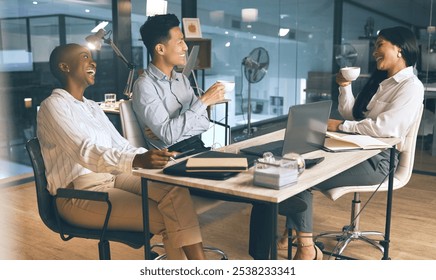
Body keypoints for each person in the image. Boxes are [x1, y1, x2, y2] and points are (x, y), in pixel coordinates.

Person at [250, 26, 424, 260]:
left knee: (301, 176)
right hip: (358, 150)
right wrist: (344, 86)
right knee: (295, 160)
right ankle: (288, 237)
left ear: (399, 48)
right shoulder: (384, 82)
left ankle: (307, 250)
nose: (374, 52)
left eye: (379, 44)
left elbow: (386, 128)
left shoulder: (411, 87)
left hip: (379, 162)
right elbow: (353, 114)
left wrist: (340, 127)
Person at [37, 43, 207, 260]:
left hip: (112, 178)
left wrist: (154, 158)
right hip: (77, 193)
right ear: (64, 67)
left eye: (92, 57)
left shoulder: (91, 107)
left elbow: (121, 145)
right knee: (170, 217)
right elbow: (85, 151)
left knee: (174, 190)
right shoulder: (53, 106)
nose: (93, 62)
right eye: (84, 57)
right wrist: (136, 160)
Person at [131, 13, 225, 149]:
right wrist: (204, 101)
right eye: (180, 41)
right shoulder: (144, 86)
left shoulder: (181, 79)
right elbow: (169, 135)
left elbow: (204, 123)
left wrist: (173, 130)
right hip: (173, 157)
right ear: (160, 49)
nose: (185, 47)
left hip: (196, 147)